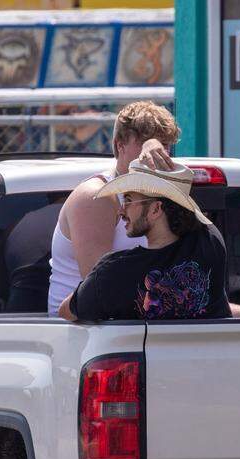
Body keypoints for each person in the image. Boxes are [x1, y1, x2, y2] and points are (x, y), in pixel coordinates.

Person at [47, 101, 179, 315]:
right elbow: (101, 289)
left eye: (165, 145)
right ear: (120, 146)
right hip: (84, 328)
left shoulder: (161, 197)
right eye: (147, 143)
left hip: (144, 316)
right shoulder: (97, 196)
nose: (158, 153)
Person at [58, 161, 233, 321]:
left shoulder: (114, 273)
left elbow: (66, 312)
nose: (121, 210)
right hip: (213, 353)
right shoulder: (211, 243)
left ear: (156, 209)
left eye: (128, 200)